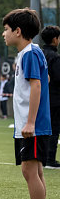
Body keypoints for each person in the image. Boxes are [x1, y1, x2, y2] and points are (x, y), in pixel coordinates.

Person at [3, 8, 51, 199]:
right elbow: (45, 79)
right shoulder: (30, 53)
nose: (4, 34)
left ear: (18, 31)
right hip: (28, 124)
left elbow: (37, 86)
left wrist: (31, 121)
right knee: (35, 171)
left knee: (29, 170)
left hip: (32, 125)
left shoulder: (30, 54)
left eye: (6, 29)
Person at [41, 25, 60, 169]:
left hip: (40, 97)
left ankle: (41, 157)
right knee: (54, 129)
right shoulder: (55, 57)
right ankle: (50, 159)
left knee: (42, 128)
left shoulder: (39, 54)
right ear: (55, 39)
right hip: (55, 98)